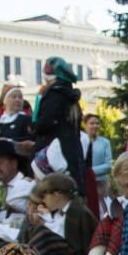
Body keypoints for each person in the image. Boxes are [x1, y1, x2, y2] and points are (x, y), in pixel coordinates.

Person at [31, 57, 86, 196]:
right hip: (71, 153)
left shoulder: (54, 95)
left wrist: (33, 127)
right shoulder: (71, 97)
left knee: (53, 194)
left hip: (53, 154)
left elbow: (45, 123)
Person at [83, 113, 113, 206]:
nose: (95, 126)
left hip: (101, 184)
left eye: (97, 123)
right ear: (85, 125)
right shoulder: (80, 141)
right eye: (91, 123)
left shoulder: (105, 142)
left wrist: (90, 171)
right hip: (85, 183)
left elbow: (108, 165)